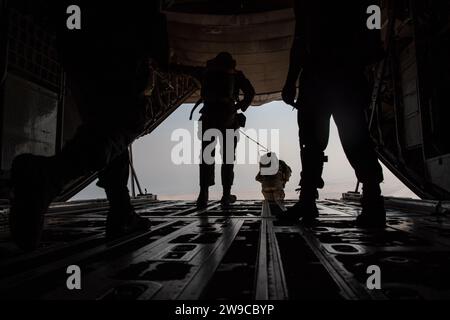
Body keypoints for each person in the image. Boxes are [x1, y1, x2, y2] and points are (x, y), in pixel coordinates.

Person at [9, 0, 168, 251]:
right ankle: (49, 176)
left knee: (104, 128)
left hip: (76, 47)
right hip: (116, 44)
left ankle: (121, 210)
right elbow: (153, 27)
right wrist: (159, 53)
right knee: (124, 123)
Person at [282, 1, 386, 227]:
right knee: (351, 138)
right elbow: (374, 38)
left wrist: (291, 81)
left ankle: (309, 200)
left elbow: (299, 41)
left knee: (318, 142)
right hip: (343, 78)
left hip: (324, 78)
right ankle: (371, 200)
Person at [175, 53, 255, 209]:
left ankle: (203, 196)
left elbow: (184, 70)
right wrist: (238, 108)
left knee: (206, 157)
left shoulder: (205, 72)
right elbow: (250, 93)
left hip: (208, 118)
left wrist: (165, 64)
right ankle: (226, 196)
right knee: (228, 158)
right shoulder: (237, 75)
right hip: (229, 119)